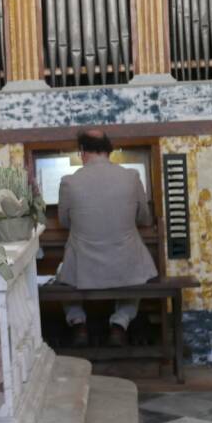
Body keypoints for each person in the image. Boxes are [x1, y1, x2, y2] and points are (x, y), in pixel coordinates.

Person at [58, 130, 156, 348]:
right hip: (125, 265)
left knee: (60, 276)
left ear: (82, 152)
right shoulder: (132, 177)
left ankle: (78, 322)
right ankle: (120, 324)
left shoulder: (69, 182)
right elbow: (144, 218)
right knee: (138, 272)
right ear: (109, 150)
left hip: (85, 267)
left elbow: (64, 222)